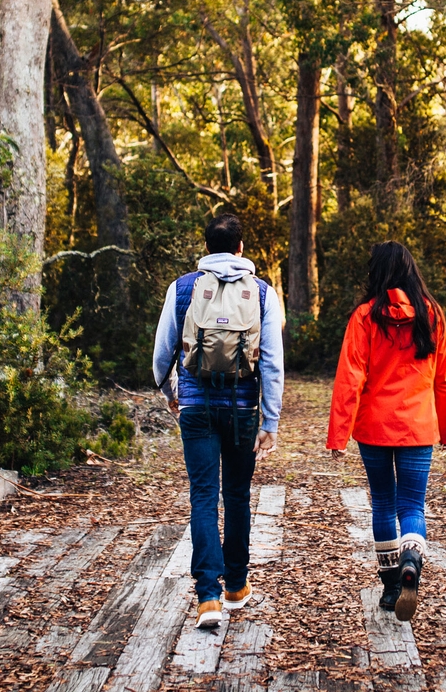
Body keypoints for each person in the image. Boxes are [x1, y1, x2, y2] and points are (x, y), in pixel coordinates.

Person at [153, 213, 284, 630]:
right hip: (243, 410)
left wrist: (171, 393)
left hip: (196, 408)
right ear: (242, 248)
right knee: (239, 496)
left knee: (204, 497)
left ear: (206, 248)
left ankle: (207, 597)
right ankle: (237, 586)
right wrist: (270, 419)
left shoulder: (183, 288)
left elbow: (162, 354)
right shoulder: (263, 292)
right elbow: (273, 363)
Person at [326, 241, 446, 622]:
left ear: (377, 273)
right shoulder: (432, 315)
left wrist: (338, 435)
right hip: (418, 427)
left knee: (383, 503)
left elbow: (350, 378)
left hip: (374, 428)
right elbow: (445, 378)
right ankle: (411, 560)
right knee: (412, 506)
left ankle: (390, 588)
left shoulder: (365, 316)